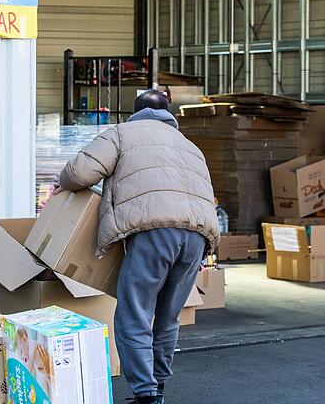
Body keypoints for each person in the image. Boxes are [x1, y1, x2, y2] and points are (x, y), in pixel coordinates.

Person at [53, 90, 219, 404]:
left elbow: (81, 171)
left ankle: (146, 394)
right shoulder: (190, 146)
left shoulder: (121, 133)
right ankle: (158, 386)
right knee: (169, 316)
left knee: (135, 313)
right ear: (168, 113)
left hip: (153, 230)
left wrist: (64, 182)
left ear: (135, 112)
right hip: (197, 236)